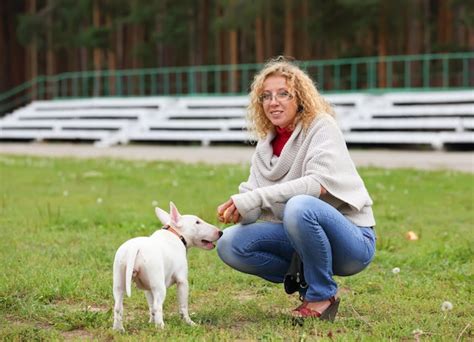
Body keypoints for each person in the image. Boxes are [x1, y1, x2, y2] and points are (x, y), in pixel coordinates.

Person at [216, 56, 376, 321]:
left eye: (283, 94)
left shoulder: (321, 126)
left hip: (352, 242)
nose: (273, 101)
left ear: (299, 97)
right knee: (230, 244)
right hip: (301, 241)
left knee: (300, 205)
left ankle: (322, 293)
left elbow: (317, 185)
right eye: (266, 96)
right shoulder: (265, 146)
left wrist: (256, 196)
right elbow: (254, 205)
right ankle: (309, 280)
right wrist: (240, 207)